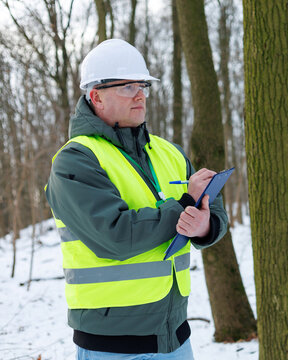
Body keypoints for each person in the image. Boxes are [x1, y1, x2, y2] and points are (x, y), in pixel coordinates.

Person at [45, 39, 228, 359]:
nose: (140, 93)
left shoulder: (168, 151)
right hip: (112, 345)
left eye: (142, 84)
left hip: (175, 336)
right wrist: (185, 204)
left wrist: (203, 225)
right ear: (96, 95)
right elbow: (115, 236)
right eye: (127, 86)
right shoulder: (76, 160)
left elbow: (213, 211)